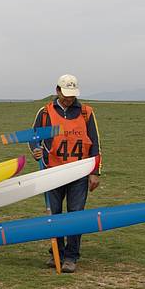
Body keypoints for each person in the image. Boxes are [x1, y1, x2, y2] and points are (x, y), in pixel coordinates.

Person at [30, 74, 102, 273]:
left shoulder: (86, 113)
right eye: (65, 94)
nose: (69, 98)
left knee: (75, 215)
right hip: (52, 171)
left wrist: (95, 172)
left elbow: (95, 143)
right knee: (53, 215)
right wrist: (36, 150)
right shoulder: (45, 112)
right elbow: (34, 137)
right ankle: (57, 253)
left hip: (79, 172)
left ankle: (71, 256)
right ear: (57, 90)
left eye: (72, 95)